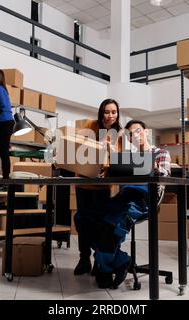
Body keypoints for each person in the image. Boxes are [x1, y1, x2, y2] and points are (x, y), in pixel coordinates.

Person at [93, 120, 171, 289]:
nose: (135, 135)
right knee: (99, 219)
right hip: (125, 197)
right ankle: (118, 261)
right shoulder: (127, 156)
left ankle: (106, 268)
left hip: (146, 199)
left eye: (137, 131)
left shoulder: (161, 153)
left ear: (146, 131)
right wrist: (109, 169)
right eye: (130, 134)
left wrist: (153, 165)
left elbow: (165, 175)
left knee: (115, 223)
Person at [73, 99, 123, 278]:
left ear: (118, 114)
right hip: (84, 184)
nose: (110, 115)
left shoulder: (119, 134)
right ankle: (83, 259)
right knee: (83, 220)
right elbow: (78, 147)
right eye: (107, 112)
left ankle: (98, 260)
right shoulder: (90, 126)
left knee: (101, 224)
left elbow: (119, 161)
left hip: (102, 187)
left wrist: (108, 169)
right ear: (101, 112)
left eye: (114, 112)